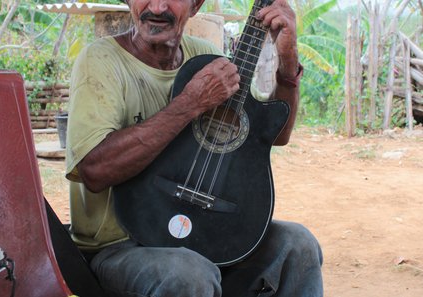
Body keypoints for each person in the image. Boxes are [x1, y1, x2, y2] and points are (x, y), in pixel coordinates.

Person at [65, 0, 323, 295]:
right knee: (188, 273)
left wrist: (287, 62)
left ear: (196, 5)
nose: (158, 7)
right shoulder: (99, 61)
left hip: (206, 236)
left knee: (298, 244)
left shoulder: (205, 57)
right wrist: (189, 104)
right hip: (119, 246)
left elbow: (272, 134)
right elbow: (94, 171)